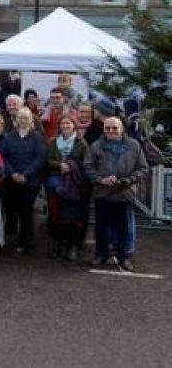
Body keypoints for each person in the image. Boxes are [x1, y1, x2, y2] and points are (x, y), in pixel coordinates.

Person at [82, 117, 149, 271]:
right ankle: (100, 254)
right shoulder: (96, 146)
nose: (111, 131)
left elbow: (143, 168)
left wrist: (128, 180)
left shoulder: (134, 145)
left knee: (123, 229)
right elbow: (88, 167)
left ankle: (124, 257)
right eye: (107, 128)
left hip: (124, 193)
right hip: (103, 193)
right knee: (101, 227)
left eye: (114, 128)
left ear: (122, 129)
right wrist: (101, 180)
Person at [0, 107, 47, 254]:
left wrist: (25, 174)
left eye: (26, 117)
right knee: (16, 209)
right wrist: (13, 173)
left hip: (31, 181)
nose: (23, 120)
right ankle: (20, 238)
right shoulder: (8, 137)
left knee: (25, 209)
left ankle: (27, 241)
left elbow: (40, 159)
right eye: (20, 117)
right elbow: (4, 157)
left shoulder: (38, 137)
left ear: (31, 120)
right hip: (12, 179)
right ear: (16, 120)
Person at [45, 115, 90, 261]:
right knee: (56, 215)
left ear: (73, 125)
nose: (65, 126)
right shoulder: (52, 142)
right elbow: (46, 160)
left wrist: (71, 166)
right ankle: (57, 244)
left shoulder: (81, 143)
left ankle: (73, 246)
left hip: (74, 183)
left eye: (68, 123)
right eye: (63, 123)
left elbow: (87, 163)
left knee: (72, 216)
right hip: (56, 180)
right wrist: (59, 166)